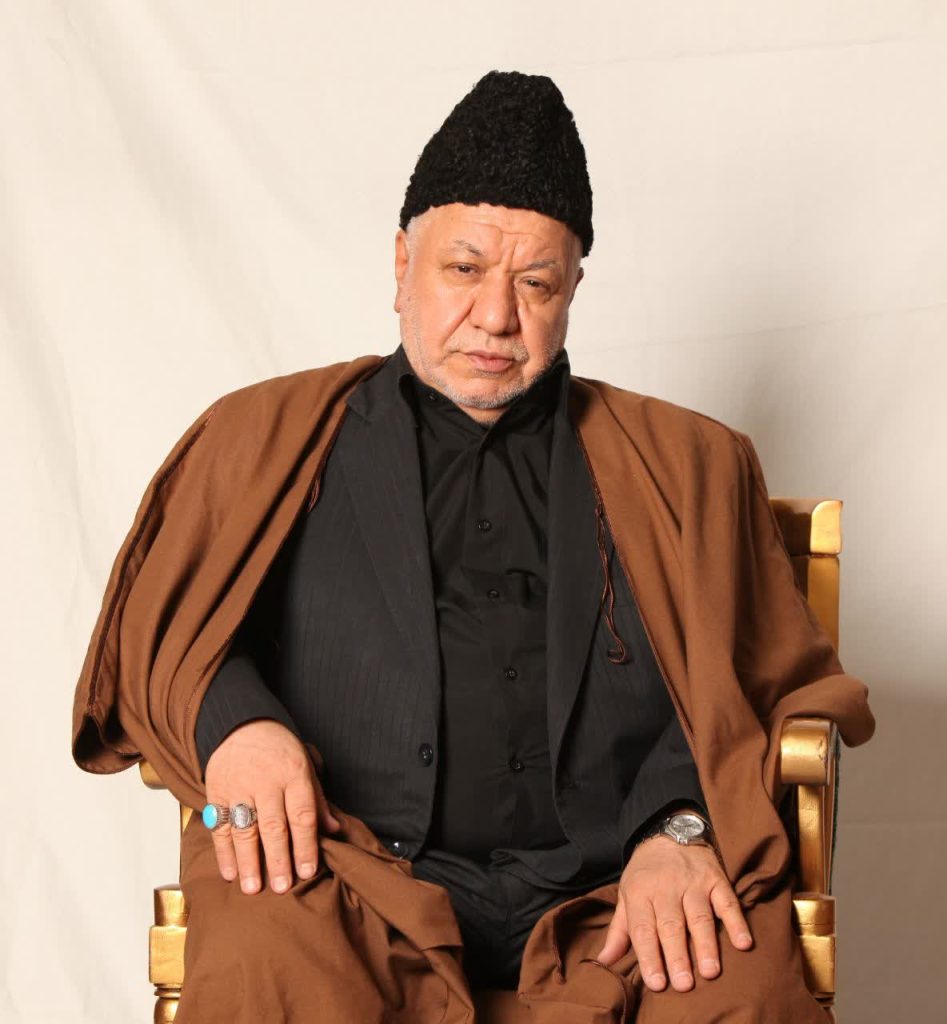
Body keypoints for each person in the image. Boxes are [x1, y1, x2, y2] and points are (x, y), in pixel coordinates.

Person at [72, 70, 875, 1023]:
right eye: (462, 270)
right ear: (400, 263)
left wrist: (680, 828)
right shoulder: (264, 440)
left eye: (535, 283)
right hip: (347, 876)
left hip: (615, 890)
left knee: (740, 982)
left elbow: (752, 688)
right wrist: (237, 727)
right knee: (264, 965)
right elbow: (167, 634)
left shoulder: (690, 465)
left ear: (572, 289)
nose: (497, 317)